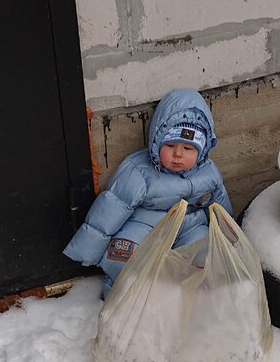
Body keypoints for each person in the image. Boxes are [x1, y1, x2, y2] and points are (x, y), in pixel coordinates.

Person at [64, 87, 233, 296]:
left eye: (188, 148)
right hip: (145, 226)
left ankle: (191, 299)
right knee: (124, 258)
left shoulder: (209, 173)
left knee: (209, 256)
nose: (178, 154)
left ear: (202, 149)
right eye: (170, 145)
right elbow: (112, 207)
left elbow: (220, 209)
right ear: (156, 142)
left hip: (189, 227)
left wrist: (230, 238)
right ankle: (121, 297)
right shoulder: (139, 171)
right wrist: (88, 249)